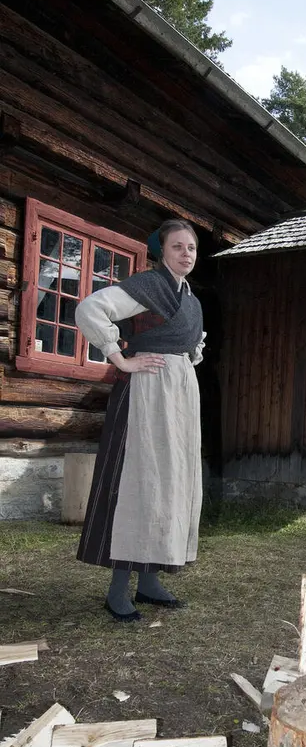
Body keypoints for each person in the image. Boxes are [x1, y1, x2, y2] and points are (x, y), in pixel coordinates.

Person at [75, 219, 206, 622]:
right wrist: (120, 358)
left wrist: (188, 359)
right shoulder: (149, 286)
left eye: (192, 248)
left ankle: (148, 581)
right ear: (161, 251)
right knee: (141, 482)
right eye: (178, 247)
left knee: (171, 483)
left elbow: (191, 343)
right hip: (147, 393)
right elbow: (90, 308)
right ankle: (118, 590)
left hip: (179, 393)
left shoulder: (191, 299)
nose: (186, 254)